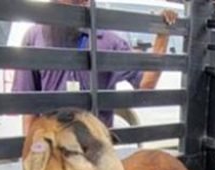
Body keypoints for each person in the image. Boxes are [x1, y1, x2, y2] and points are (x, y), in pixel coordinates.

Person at [13, 0, 179, 133]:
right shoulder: (35, 37)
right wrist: (32, 154)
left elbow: (145, 84)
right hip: (55, 148)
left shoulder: (108, 41)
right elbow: (29, 106)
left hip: (94, 150)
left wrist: (162, 37)